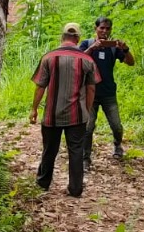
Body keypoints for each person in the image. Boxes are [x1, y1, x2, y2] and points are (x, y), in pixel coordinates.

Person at [29, 23, 99, 198]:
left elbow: (40, 87)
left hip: (52, 114)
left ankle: (43, 183)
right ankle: (75, 189)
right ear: (78, 39)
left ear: (62, 37)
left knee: (49, 149)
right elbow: (91, 89)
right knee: (76, 151)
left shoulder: (49, 58)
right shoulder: (87, 60)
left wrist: (34, 109)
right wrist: (87, 110)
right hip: (77, 115)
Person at [79, 16, 135, 167]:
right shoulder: (87, 44)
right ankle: (85, 158)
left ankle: (117, 144)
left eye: (107, 28)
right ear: (95, 28)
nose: (104, 31)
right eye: (101, 28)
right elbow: (78, 60)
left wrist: (125, 49)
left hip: (108, 93)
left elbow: (131, 62)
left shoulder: (113, 47)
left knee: (116, 125)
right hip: (90, 93)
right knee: (88, 127)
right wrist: (93, 48)